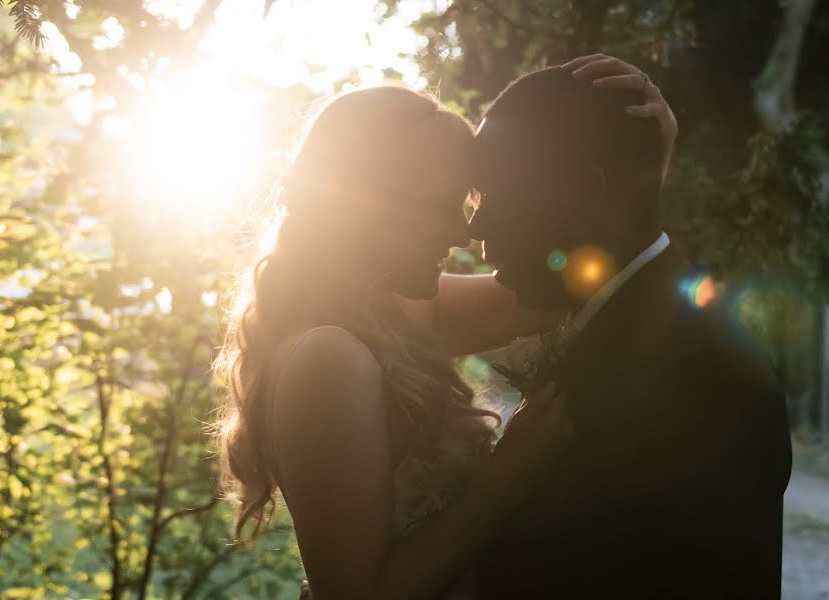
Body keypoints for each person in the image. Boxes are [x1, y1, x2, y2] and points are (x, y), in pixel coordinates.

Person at [213, 56, 677, 599]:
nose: (463, 230)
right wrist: (511, 471)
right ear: (368, 210)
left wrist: (643, 170)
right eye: (441, 206)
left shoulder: (397, 313)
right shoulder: (329, 356)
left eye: (466, 201)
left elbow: (556, 291)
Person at [469, 57, 792, 599]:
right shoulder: (632, 318)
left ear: (587, 195)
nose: (473, 225)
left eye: (494, 193)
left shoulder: (702, 384)